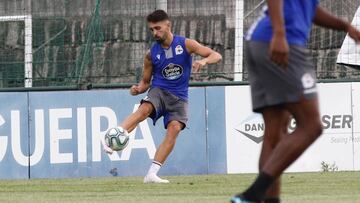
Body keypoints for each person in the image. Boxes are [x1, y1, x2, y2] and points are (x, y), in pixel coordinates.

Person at [231, 0, 360, 203]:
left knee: (275, 132)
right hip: (282, 41)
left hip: (260, 41)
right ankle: (253, 194)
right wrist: (279, 33)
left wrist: (345, 26)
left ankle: (268, 200)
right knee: (311, 126)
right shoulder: (281, 33)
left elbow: (310, 8)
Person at [104, 9, 222, 183]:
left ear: (168, 25)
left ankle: (151, 174)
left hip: (180, 97)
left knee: (174, 130)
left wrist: (203, 61)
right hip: (159, 90)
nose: (154, 33)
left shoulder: (186, 44)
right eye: (151, 29)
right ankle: (110, 139)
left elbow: (216, 55)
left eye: (157, 28)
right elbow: (145, 82)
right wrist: (137, 89)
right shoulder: (151, 54)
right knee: (144, 109)